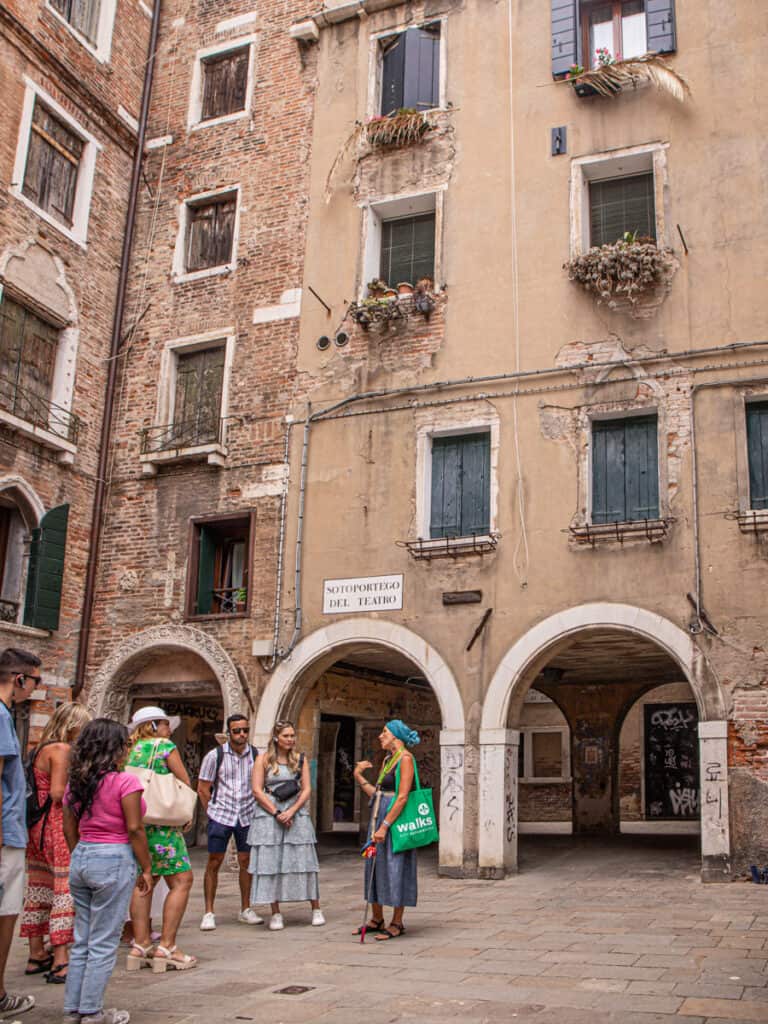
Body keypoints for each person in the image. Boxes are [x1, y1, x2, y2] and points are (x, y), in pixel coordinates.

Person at [62, 718, 152, 1024]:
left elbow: (68, 827)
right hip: (114, 857)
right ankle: (91, 1011)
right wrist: (147, 867)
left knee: (83, 939)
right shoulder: (125, 782)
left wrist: (81, 855)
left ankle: (73, 1009)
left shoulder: (76, 782)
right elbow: (135, 828)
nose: (128, 750)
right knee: (103, 941)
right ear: (114, 748)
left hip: (83, 855)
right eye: (126, 745)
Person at [20, 701, 92, 984]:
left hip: (36, 827)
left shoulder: (40, 748)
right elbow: (58, 793)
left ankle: (36, 952)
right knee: (64, 887)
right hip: (56, 825)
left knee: (40, 885)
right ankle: (61, 958)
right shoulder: (61, 750)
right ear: (74, 727)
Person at [125, 706, 196, 972]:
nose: (169, 730)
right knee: (182, 880)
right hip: (162, 828)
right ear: (154, 725)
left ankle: (140, 944)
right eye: (166, 724)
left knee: (145, 880)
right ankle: (168, 946)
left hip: (136, 824)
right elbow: (183, 781)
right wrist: (186, 812)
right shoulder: (164, 746)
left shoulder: (128, 750)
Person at [249, 720, 324, 931]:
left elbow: (307, 789)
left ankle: (316, 908)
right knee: (272, 861)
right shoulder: (262, 760)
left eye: (292, 735)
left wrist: (291, 811)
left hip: (295, 811)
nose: (290, 739)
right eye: (286, 736)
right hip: (269, 814)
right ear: (276, 737)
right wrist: (277, 813)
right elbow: (257, 790)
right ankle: (275, 913)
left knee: (304, 858)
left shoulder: (300, 760)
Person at [352, 719, 420, 941]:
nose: (381, 736)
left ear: (396, 737)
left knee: (396, 865)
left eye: (384, 732)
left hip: (393, 822)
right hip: (378, 817)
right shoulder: (388, 759)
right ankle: (376, 918)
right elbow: (377, 793)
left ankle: (397, 922)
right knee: (374, 864)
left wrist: (385, 826)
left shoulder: (405, 759)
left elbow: (401, 797)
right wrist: (359, 777)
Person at [0, 647, 40, 1016]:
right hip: (4, 834)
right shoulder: (0, 715)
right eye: (35, 681)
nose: (33, 689)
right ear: (20, 679)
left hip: (10, 831)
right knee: (5, 911)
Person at [197, 714, 261, 930]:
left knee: (246, 861)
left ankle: (245, 908)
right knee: (214, 861)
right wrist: (212, 813)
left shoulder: (256, 755)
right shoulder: (214, 756)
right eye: (237, 731)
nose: (241, 734)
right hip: (222, 814)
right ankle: (208, 911)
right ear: (228, 732)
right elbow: (203, 788)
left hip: (247, 814)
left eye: (245, 730)